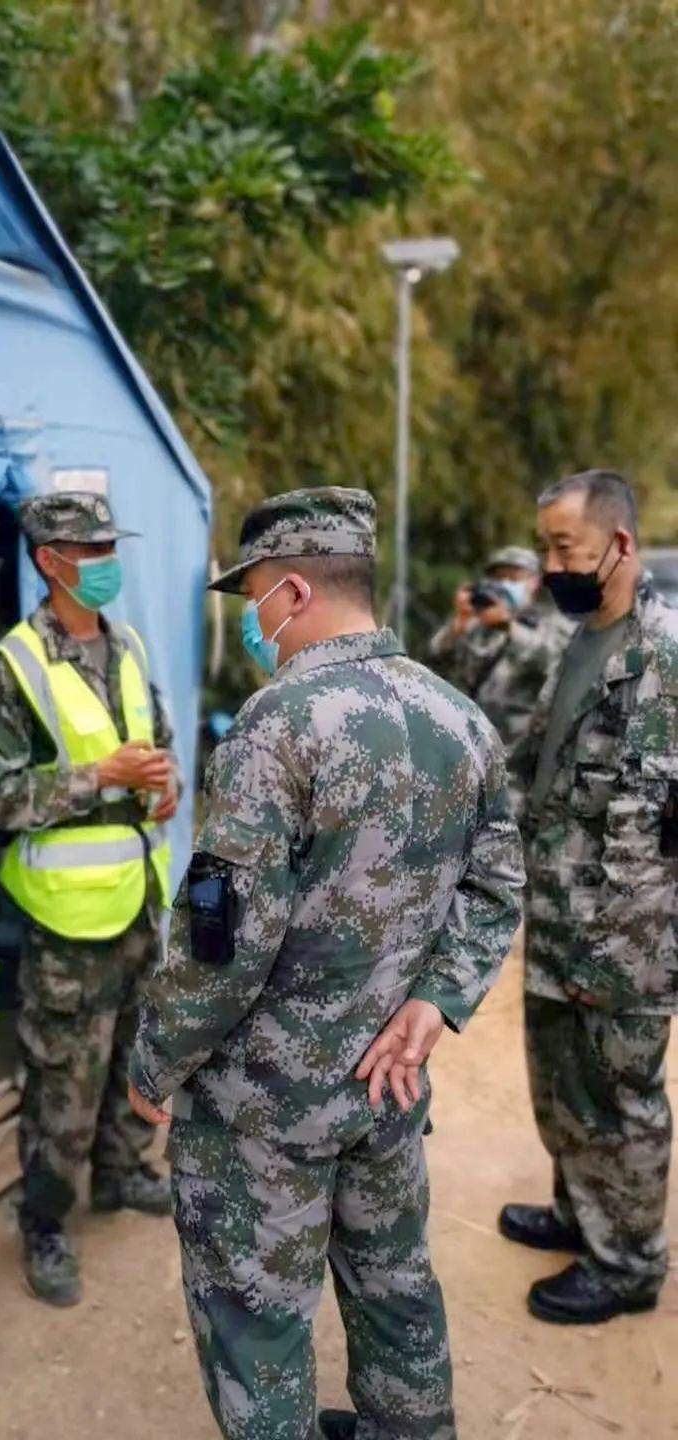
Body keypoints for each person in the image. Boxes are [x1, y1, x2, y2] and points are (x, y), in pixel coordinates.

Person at [128, 487, 524, 1440]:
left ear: (294, 590)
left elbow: (223, 946)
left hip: (266, 1108)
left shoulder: (277, 726)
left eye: (253, 599)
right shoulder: (458, 716)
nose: (253, 624)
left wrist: (154, 1061)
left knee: (258, 1322)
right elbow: (501, 878)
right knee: (393, 1287)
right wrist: (438, 999)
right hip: (387, 1087)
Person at [0, 490, 180, 1308]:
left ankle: (123, 1170)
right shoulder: (12, 666)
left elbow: (155, 746)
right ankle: (45, 1222)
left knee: (134, 1055)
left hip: (137, 900)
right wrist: (103, 777)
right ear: (51, 563)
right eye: (90, 553)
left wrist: (164, 786)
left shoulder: (125, 645)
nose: (106, 565)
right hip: (64, 919)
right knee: (62, 1079)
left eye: (108, 548)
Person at [500, 469, 678, 1325]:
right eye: (545, 547)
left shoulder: (666, 657)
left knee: (621, 1100)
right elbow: (529, 763)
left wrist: (633, 938)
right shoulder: (579, 645)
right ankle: (583, 1214)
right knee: (563, 1085)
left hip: (629, 943)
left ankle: (631, 1264)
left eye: (562, 547)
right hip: (562, 924)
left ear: (618, 544)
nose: (550, 565)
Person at [428, 545, 574, 751]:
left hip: (521, 753)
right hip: (472, 747)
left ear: (534, 582)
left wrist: (509, 628)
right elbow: (436, 661)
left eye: (514, 578)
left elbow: (553, 660)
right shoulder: (478, 624)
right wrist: (459, 624)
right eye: (498, 577)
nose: (504, 584)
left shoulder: (550, 623)